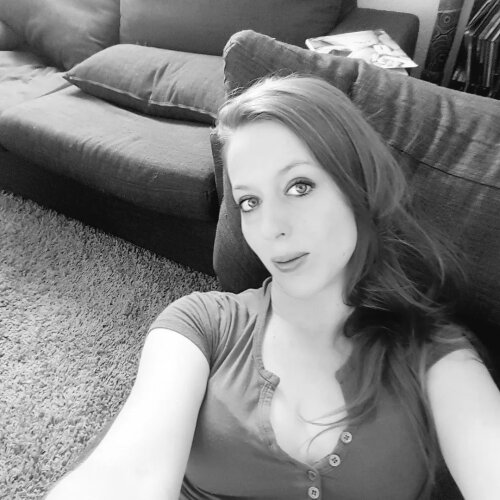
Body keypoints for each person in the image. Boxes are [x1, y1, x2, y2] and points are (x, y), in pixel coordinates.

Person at [46, 75, 500, 500]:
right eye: (250, 201)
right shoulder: (203, 324)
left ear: (358, 186)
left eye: (299, 186)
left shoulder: (434, 355)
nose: (270, 228)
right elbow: (129, 472)